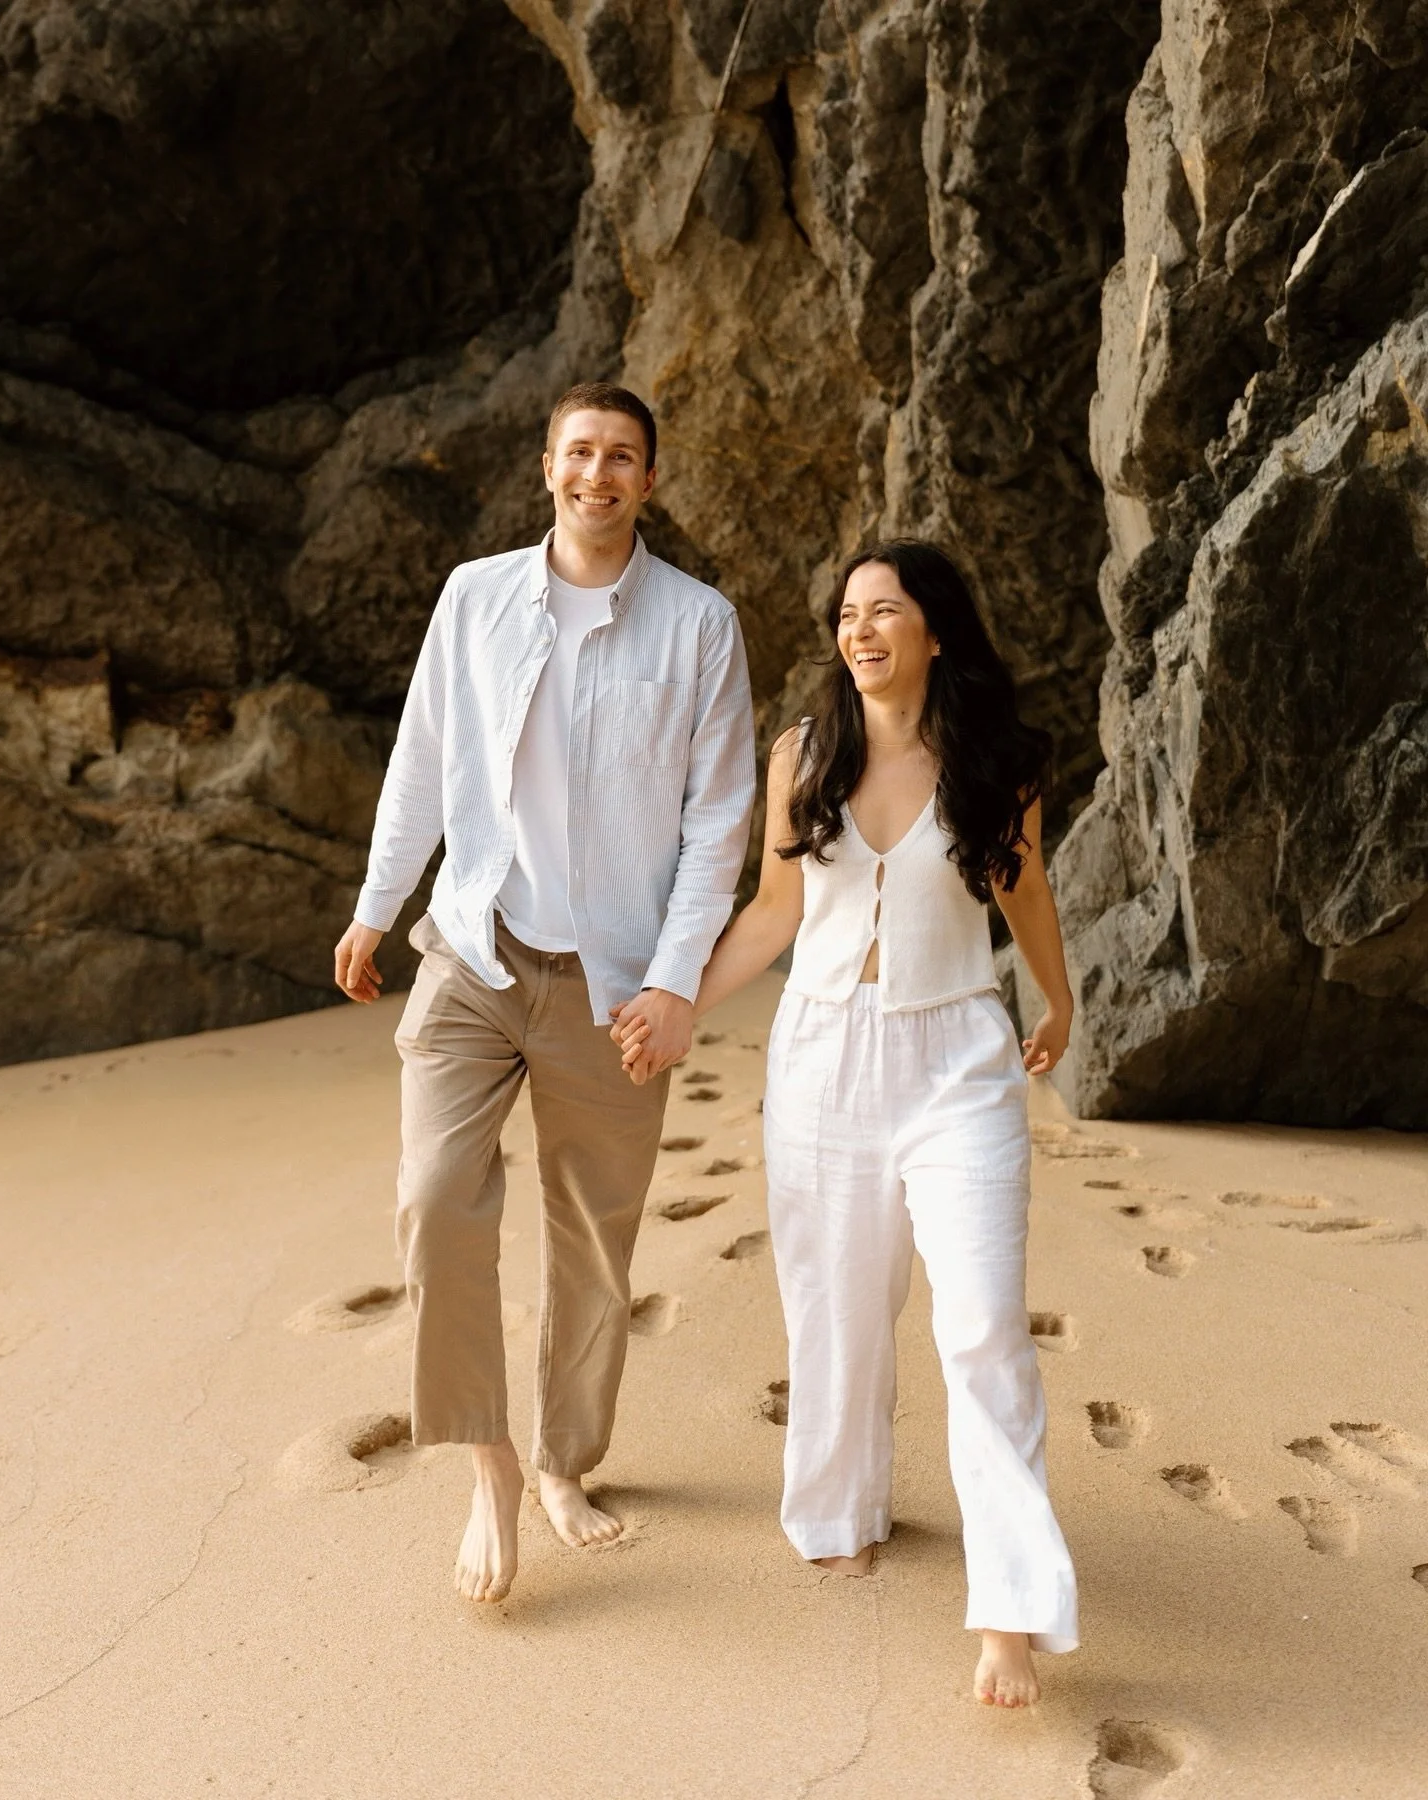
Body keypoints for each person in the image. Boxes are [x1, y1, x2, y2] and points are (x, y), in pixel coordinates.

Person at [616, 539, 1079, 1706]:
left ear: (933, 630)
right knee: (834, 1304)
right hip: (822, 1056)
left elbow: (1022, 887)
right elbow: (772, 914)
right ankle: (838, 1505)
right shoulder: (802, 757)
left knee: (980, 1325)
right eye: (846, 615)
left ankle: (1010, 1610)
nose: (860, 631)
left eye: (885, 610)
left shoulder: (993, 762)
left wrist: (1058, 997)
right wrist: (678, 1004)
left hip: (959, 1058)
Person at [334, 381, 756, 1604]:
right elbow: (421, 754)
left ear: (650, 481)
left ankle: (570, 1466)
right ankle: (492, 1467)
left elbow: (720, 818)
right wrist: (377, 903)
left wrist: (677, 983)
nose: (598, 474)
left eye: (623, 457)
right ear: (546, 467)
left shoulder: (699, 627)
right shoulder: (474, 598)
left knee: (593, 1248)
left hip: (611, 985)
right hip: (473, 949)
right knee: (433, 1198)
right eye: (580, 452)